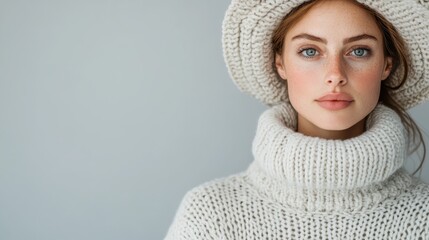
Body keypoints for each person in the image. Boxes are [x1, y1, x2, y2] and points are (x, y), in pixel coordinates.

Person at [165, 0, 429, 239]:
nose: (335, 75)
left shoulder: (423, 219)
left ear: (386, 65)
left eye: (359, 51)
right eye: (310, 51)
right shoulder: (211, 215)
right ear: (280, 64)